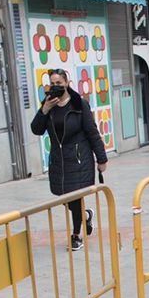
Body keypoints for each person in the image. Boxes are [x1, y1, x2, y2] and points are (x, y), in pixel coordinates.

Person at [30, 68, 107, 251]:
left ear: (66, 83)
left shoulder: (78, 104)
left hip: (79, 159)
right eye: (52, 83)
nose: (55, 86)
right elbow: (36, 129)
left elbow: (92, 132)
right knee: (64, 197)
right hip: (59, 161)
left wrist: (101, 159)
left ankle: (76, 235)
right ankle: (85, 216)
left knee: (75, 197)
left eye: (59, 83)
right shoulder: (48, 105)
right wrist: (45, 109)